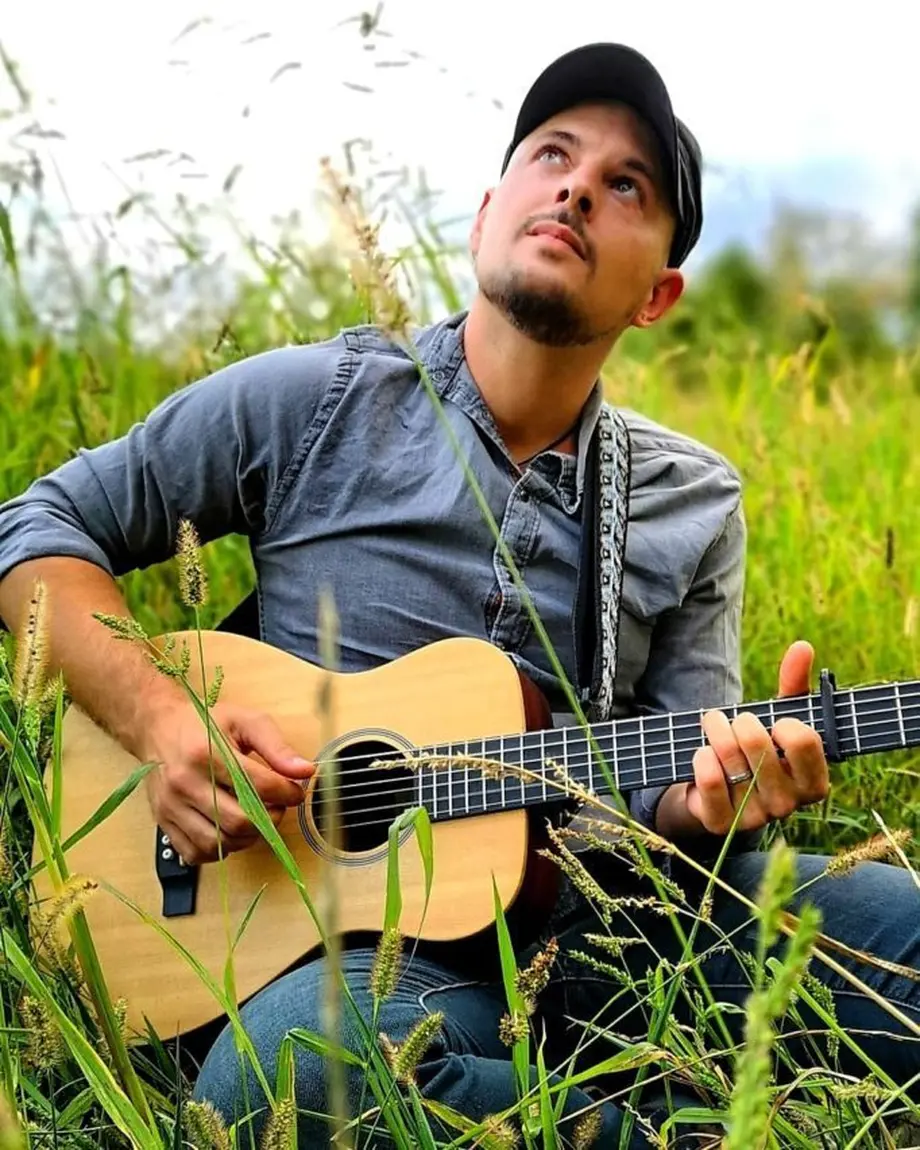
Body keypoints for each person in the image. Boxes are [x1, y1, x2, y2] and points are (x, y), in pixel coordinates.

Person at [0, 41, 916, 1148]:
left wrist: (708, 804)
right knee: (296, 1071)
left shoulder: (691, 498)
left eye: (626, 183)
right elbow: (35, 529)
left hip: (613, 927)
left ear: (658, 295)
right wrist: (159, 719)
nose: (576, 188)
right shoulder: (314, 400)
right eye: (552, 155)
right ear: (487, 215)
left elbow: (673, 813)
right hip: (356, 956)